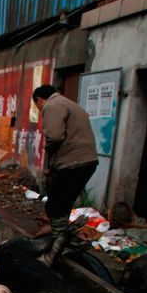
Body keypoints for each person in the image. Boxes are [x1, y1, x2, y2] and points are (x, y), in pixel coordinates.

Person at [32, 85, 99, 239]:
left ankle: (56, 242)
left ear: (40, 100)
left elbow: (55, 137)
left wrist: (48, 149)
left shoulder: (51, 105)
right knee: (65, 201)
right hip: (88, 162)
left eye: (37, 106)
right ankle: (59, 233)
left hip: (73, 163)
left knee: (57, 203)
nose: (40, 109)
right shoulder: (73, 105)